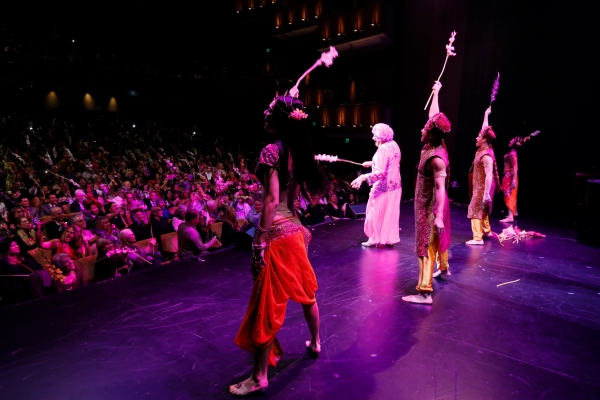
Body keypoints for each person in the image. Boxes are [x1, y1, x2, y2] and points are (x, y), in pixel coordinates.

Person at [229, 94, 327, 396]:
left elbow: (271, 201)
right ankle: (316, 342)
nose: (264, 111)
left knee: (265, 305)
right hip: (296, 230)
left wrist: (259, 239)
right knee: (306, 292)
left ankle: (259, 377)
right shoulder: (297, 151)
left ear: (282, 119)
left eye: (270, 109)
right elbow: (288, 199)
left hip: (277, 234)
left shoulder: (272, 152)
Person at [402, 81, 451, 305]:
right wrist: (436, 92)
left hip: (429, 208)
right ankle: (426, 286)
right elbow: (434, 115)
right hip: (423, 206)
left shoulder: (437, 159)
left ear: (431, 135)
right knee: (424, 246)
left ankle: (424, 292)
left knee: (423, 247)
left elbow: (440, 189)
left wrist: (438, 216)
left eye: (425, 129)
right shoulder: (431, 144)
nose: (422, 129)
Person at [351, 123, 401, 247]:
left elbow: (379, 173)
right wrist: (372, 162)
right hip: (395, 186)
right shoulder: (394, 145)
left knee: (374, 211)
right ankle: (387, 238)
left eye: (375, 136)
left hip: (384, 188)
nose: (373, 138)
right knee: (388, 213)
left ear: (382, 137)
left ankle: (373, 239)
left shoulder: (382, 149)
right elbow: (389, 163)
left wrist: (362, 177)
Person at [466, 107, 501, 245]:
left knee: (475, 209)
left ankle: (477, 237)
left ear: (485, 140)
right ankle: (486, 230)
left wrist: (486, 193)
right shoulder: (483, 149)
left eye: (479, 137)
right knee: (483, 208)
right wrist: (486, 115)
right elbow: (484, 129)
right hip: (481, 186)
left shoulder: (486, 156)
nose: (476, 137)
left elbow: (488, 176)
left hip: (483, 187)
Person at [500, 131, 538, 223]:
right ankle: (513, 212)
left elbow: (515, 167)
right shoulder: (512, 152)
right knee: (512, 195)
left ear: (515, 143)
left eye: (512, 140)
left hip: (510, 176)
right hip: (509, 176)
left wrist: (513, 181)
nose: (510, 141)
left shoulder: (513, 154)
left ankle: (510, 217)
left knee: (508, 195)